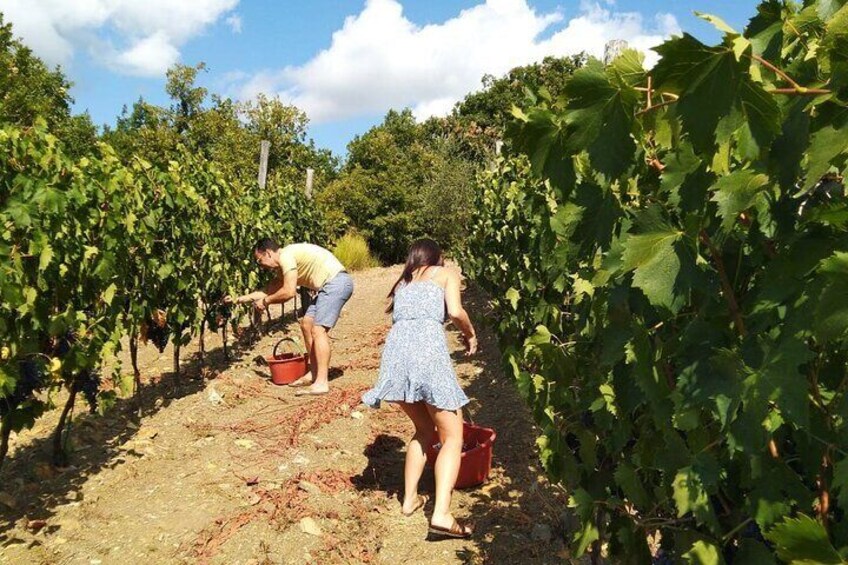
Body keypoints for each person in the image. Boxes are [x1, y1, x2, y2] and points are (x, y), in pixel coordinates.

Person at [361, 238, 478, 539]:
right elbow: (455, 312)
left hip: (396, 357)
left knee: (424, 431)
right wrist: (471, 334)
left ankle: (410, 500)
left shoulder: (404, 282)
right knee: (453, 436)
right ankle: (441, 514)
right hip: (427, 353)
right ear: (438, 257)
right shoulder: (446, 273)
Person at [227, 239, 354, 396]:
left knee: (318, 330)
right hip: (327, 287)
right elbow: (268, 290)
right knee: (307, 324)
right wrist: (238, 299)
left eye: (260, 260)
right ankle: (314, 373)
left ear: (268, 253)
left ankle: (322, 382)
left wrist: (266, 302)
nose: (261, 265)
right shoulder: (282, 267)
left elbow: (289, 291)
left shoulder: (286, 256)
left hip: (336, 283)